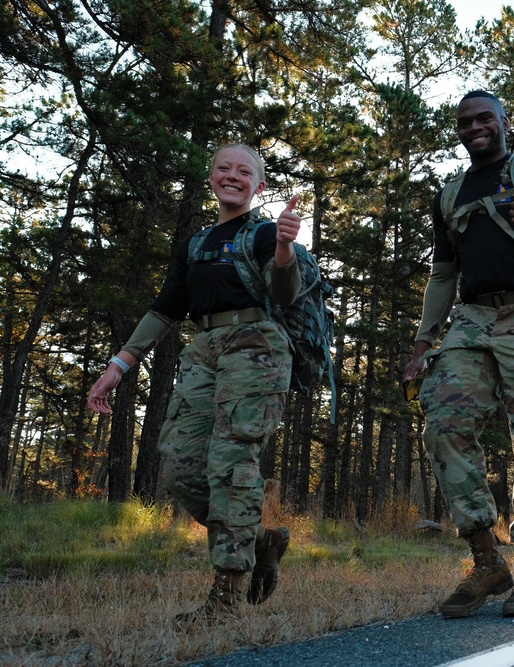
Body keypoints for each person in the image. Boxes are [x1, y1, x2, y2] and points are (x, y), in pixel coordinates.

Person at [87, 143, 300, 630]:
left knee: (231, 465)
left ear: (259, 185)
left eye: (244, 171)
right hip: (204, 350)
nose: (232, 176)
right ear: (211, 178)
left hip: (256, 347)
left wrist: (285, 247)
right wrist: (119, 365)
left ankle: (226, 596)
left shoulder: (265, 232)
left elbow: (282, 293)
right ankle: (258, 540)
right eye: (223, 168)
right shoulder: (196, 244)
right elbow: (166, 306)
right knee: (181, 467)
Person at [401, 90, 514, 618]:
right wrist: (421, 346)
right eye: (466, 121)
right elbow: (443, 275)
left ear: (505, 123)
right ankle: (486, 561)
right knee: (443, 422)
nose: (475, 127)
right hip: (472, 321)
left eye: (485, 118)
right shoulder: (450, 194)